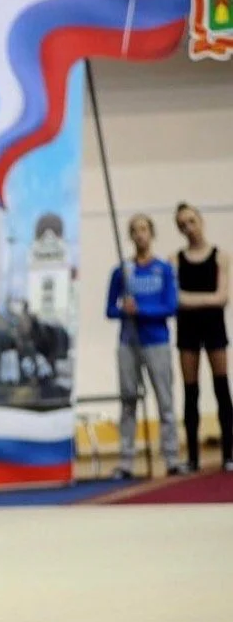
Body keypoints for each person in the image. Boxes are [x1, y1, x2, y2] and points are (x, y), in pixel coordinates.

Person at [105, 214, 186, 478]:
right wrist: (123, 311)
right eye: (134, 230)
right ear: (130, 236)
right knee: (128, 400)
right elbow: (109, 309)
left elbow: (171, 306)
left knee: (165, 400)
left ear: (151, 233)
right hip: (128, 343)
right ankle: (126, 460)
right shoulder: (122, 271)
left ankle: (172, 457)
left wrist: (142, 310)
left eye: (144, 229)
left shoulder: (163, 269)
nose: (140, 235)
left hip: (157, 342)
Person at [170, 201, 232, 472]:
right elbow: (175, 300)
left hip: (214, 327)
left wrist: (191, 299)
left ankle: (228, 454)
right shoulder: (175, 260)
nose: (189, 227)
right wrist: (207, 299)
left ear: (201, 221)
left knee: (221, 388)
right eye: (183, 224)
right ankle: (193, 458)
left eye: (192, 221)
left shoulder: (221, 256)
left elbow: (222, 298)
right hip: (188, 330)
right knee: (190, 391)